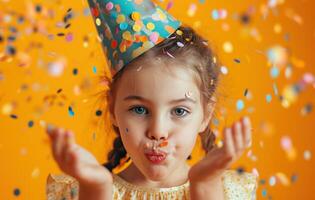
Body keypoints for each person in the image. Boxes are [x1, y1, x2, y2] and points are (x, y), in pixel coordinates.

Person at [46, 0, 257, 199]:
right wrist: (96, 191)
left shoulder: (224, 191)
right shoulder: (82, 190)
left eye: (179, 111)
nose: (158, 132)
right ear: (113, 109)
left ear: (206, 115)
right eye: (139, 109)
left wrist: (204, 186)